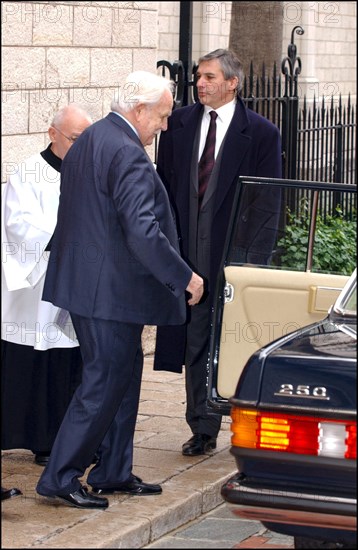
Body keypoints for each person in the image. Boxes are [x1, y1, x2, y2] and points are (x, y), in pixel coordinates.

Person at [35, 71, 204, 510]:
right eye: (162, 117)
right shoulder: (126, 151)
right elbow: (143, 232)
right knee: (102, 382)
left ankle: (113, 470)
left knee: (123, 377)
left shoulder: (91, 139)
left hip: (94, 288)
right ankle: (60, 477)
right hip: (108, 293)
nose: (164, 126)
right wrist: (184, 276)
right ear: (139, 108)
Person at [154, 49, 283, 456]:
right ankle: (203, 426)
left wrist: (250, 265)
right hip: (186, 251)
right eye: (198, 77)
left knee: (227, 341)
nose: (200, 83)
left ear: (233, 82)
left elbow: (267, 204)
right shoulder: (177, 124)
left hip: (232, 254)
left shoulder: (261, 134)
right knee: (194, 338)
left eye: (209, 77)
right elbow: (163, 188)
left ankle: (236, 415)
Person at [1, 105, 93, 466]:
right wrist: (64, 236)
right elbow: (18, 225)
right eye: (74, 138)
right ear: (53, 133)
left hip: (76, 280)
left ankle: (59, 439)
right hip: (35, 284)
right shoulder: (28, 172)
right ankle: (29, 436)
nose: (81, 146)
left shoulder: (89, 172)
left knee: (67, 360)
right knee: (32, 361)